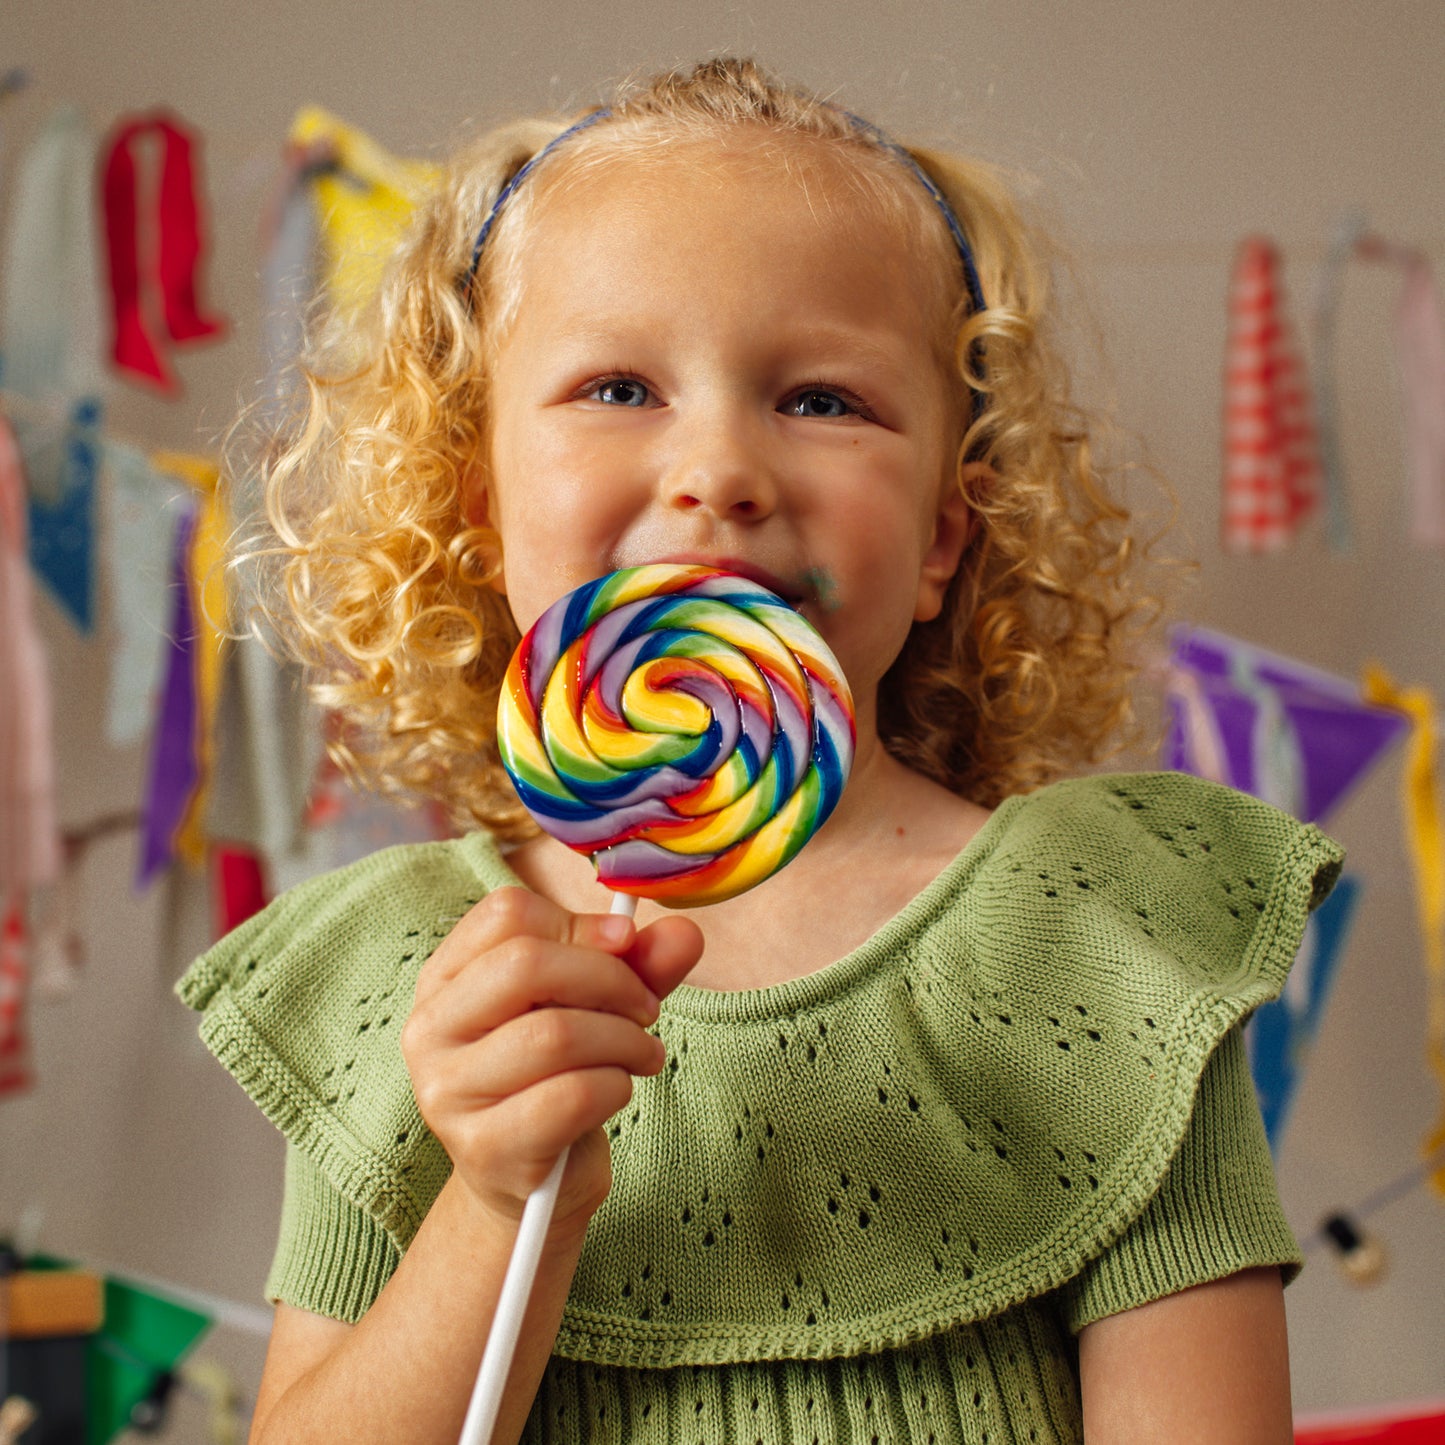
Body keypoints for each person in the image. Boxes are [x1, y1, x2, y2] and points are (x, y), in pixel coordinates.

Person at [180, 57, 1341, 1444]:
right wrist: (491, 1207)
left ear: (942, 539)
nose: (720, 469)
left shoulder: (1101, 939)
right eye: (619, 385)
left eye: (822, 400)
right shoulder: (409, 982)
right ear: (479, 510)